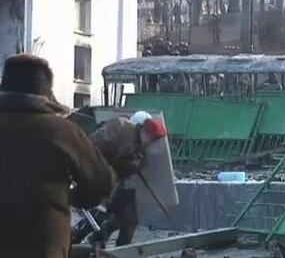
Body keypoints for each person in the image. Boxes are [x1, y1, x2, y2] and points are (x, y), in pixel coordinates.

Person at [0, 54, 116, 258]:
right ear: (45, 91)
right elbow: (102, 181)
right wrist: (72, 198)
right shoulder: (62, 131)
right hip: (43, 245)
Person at [88, 112, 167, 248]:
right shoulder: (122, 131)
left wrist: (136, 164)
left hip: (111, 181)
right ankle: (84, 239)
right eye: (151, 139)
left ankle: (121, 248)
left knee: (130, 214)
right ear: (144, 133)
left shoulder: (136, 143)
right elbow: (100, 152)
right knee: (99, 214)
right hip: (96, 178)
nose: (150, 143)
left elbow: (122, 169)